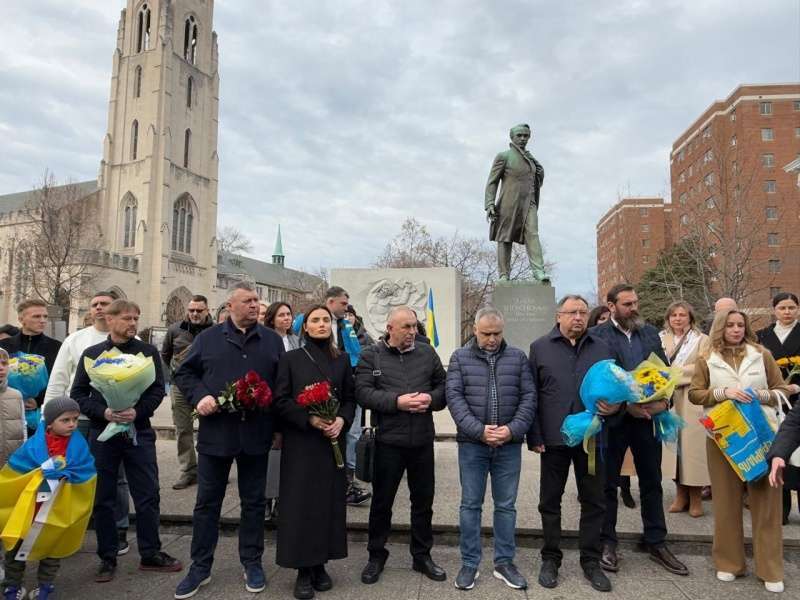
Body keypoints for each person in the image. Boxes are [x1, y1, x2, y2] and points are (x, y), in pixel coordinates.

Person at [173, 282, 284, 599]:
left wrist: (279, 430)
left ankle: (252, 562)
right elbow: (184, 373)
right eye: (248, 300)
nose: (254, 305)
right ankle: (200, 567)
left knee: (253, 503)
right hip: (217, 434)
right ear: (230, 306)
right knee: (207, 503)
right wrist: (200, 396)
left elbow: (281, 386)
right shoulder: (208, 339)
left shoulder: (272, 341)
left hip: (256, 434)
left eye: (256, 300)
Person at [71, 299, 181, 583]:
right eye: (127, 318)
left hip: (139, 432)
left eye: (136, 318)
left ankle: (150, 552)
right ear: (110, 319)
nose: (133, 323)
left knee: (147, 494)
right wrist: (105, 412)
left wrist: (137, 411)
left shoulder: (147, 352)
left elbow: (157, 390)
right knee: (104, 497)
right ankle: (107, 557)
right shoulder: (92, 354)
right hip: (103, 434)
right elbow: (78, 394)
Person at [688, 309, 796, 593]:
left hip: (762, 436)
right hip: (723, 438)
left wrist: (758, 395)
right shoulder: (706, 358)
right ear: (720, 328)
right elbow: (695, 393)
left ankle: (770, 569)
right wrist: (723, 393)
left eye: (740, 325)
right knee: (725, 502)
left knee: (767, 504)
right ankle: (729, 563)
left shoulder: (762, 354)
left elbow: (782, 390)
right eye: (730, 325)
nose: (736, 330)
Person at [592, 284, 688, 576]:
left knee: (651, 481)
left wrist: (664, 402)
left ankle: (656, 541)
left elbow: (665, 373)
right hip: (613, 423)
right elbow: (596, 380)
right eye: (627, 304)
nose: (634, 308)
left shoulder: (649, 334)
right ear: (611, 306)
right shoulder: (596, 336)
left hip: (647, 420)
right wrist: (625, 406)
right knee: (608, 484)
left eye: (635, 302)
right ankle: (607, 542)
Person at [529, 295, 620, 592]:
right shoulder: (540, 348)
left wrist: (615, 406)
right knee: (549, 501)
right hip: (554, 439)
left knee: (594, 501)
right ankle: (550, 558)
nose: (578, 317)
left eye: (582, 312)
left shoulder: (602, 348)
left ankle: (590, 561)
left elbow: (617, 386)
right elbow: (532, 395)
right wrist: (535, 435)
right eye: (572, 312)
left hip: (592, 438)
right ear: (559, 316)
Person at [355, 306, 447, 584]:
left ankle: (422, 555)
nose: (412, 332)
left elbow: (444, 388)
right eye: (406, 327)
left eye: (414, 326)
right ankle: (376, 555)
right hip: (388, 442)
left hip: (421, 441)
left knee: (423, 502)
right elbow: (363, 393)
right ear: (390, 328)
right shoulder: (371, 355)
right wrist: (397, 402)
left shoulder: (427, 353)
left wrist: (431, 399)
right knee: (382, 502)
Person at [446, 307, 534, 591]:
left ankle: (504, 562)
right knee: (470, 505)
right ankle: (469, 563)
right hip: (473, 445)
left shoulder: (517, 357)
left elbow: (529, 397)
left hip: (508, 446)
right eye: (486, 334)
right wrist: (479, 431)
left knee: (506, 506)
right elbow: (455, 398)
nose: (492, 339)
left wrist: (512, 430)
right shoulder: (459, 358)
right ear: (475, 330)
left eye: (497, 333)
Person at [273, 305, 355, 599]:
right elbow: (280, 400)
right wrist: (309, 418)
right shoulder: (291, 359)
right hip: (302, 443)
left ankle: (320, 563)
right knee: (301, 505)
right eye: (315, 320)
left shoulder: (342, 359)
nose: (321, 324)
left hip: (332, 442)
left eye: (326, 320)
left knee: (328, 504)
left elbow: (350, 398)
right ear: (304, 327)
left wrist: (341, 420)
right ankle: (303, 569)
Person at [43, 290, 134, 555]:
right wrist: (48, 417)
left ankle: (118, 529)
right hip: (77, 419)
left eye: (104, 304)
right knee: (70, 473)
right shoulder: (76, 340)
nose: (98, 308)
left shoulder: (132, 341)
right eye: (94, 304)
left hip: (116, 419)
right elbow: (59, 379)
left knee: (117, 478)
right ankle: (71, 528)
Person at [0, 396, 89, 600]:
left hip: (58, 507)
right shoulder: (32, 446)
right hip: (30, 508)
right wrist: (41, 472)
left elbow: (87, 470)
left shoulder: (79, 445)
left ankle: (45, 585)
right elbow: (17, 469)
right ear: (49, 423)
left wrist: (68, 474)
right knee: (16, 545)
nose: (72, 424)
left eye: (75, 419)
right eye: (65, 420)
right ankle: (13, 584)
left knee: (52, 547)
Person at [660, 301, 710, 518]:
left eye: (682, 315)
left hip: (692, 398)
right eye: (674, 315)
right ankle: (680, 495)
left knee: (693, 450)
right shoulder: (661, 338)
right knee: (673, 450)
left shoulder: (701, 339)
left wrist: (672, 374)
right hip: (668, 399)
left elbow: (703, 366)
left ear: (690, 317)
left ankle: (696, 497)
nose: (678, 319)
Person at [324, 287, 372, 507]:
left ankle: (348, 482)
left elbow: (356, 353)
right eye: (343, 304)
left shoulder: (346, 325)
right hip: (322, 386)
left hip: (348, 383)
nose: (346, 308)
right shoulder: (310, 320)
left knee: (352, 433)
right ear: (330, 301)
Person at [161, 295, 214, 491]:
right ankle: (189, 471)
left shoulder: (216, 331)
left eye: (199, 310)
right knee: (183, 429)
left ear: (207, 310)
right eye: (191, 310)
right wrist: (178, 373)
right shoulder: (175, 330)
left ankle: (212, 470)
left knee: (212, 429)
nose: (194, 314)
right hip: (180, 387)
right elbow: (166, 355)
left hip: (207, 388)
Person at [484, 123, 548, 283]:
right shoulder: (503, 156)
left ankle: (539, 272)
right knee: (504, 237)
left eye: (526, 135)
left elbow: (536, 180)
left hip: (529, 203)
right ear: (512, 137)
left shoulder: (531, 159)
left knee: (533, 234)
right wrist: (490, 203)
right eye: (519, 135)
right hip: (508, 203)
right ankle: (504, 275)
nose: (523, 138)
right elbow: (492, 182)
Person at [758, 292, 800, 524]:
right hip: (771, 400)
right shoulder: (762, 335)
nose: (787, 312)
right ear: (774, 310)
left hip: (797, 399)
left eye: (791, 307)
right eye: (782, 308)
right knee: (776, 449)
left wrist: (795, 387)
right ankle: (780, 510)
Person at [588, 305, 635, 509]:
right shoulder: (593, 339)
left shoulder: (627, 340)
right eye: (601, 319)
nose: (604, 321)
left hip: (628, 407)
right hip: (602, 411)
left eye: (607, 318)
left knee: (625, 459)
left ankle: (625, 489)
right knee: (604, 460)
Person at [263, 301, 301, 520]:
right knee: (272, 452)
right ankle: (267, 499)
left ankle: (281, 499)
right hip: (271, 400)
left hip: (291, 401)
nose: (286, 318)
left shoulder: (296, 340)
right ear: (272, 319)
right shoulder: (266, 340)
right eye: (281, 315)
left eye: (289, 314)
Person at [0, 299, 62, 431]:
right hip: (5, 409)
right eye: (36, 316)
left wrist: (38, 400)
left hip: (40, 413)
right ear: (21, 319)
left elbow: (58, 379)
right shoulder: (4, 345)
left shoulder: (56, 347)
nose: (43, 320)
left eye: (45, 316)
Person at [0, 348, 25, 468]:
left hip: (11, 464)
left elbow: (23, 427)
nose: (1, 368)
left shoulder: (16, 395)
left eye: (4, 363)